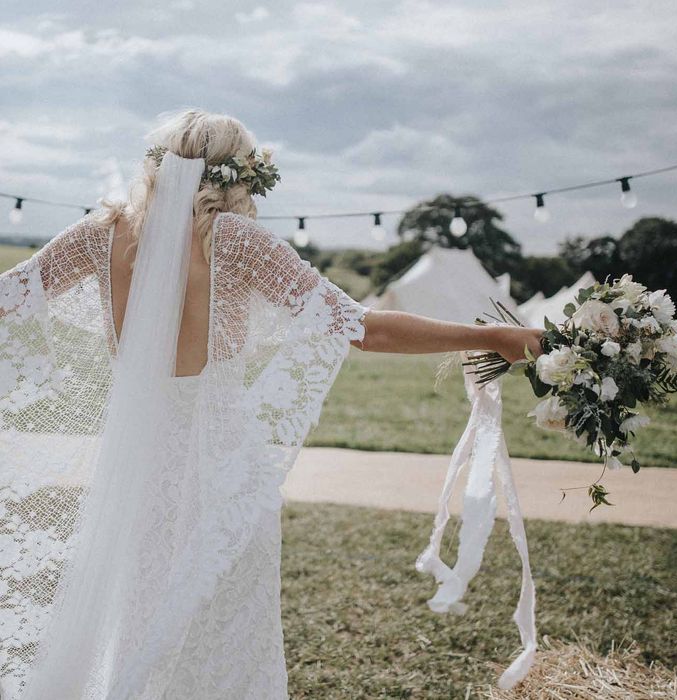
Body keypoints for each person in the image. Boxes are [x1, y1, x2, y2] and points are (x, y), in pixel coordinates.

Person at [0, 108, 543, 699]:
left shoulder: (102, 232)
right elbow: (365, 329)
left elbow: (9, 297)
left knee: (137, 610)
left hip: (136, 461)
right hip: (221, 462)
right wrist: (489, 336)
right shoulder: (233, 241)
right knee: (225, 628)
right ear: (239, 175)